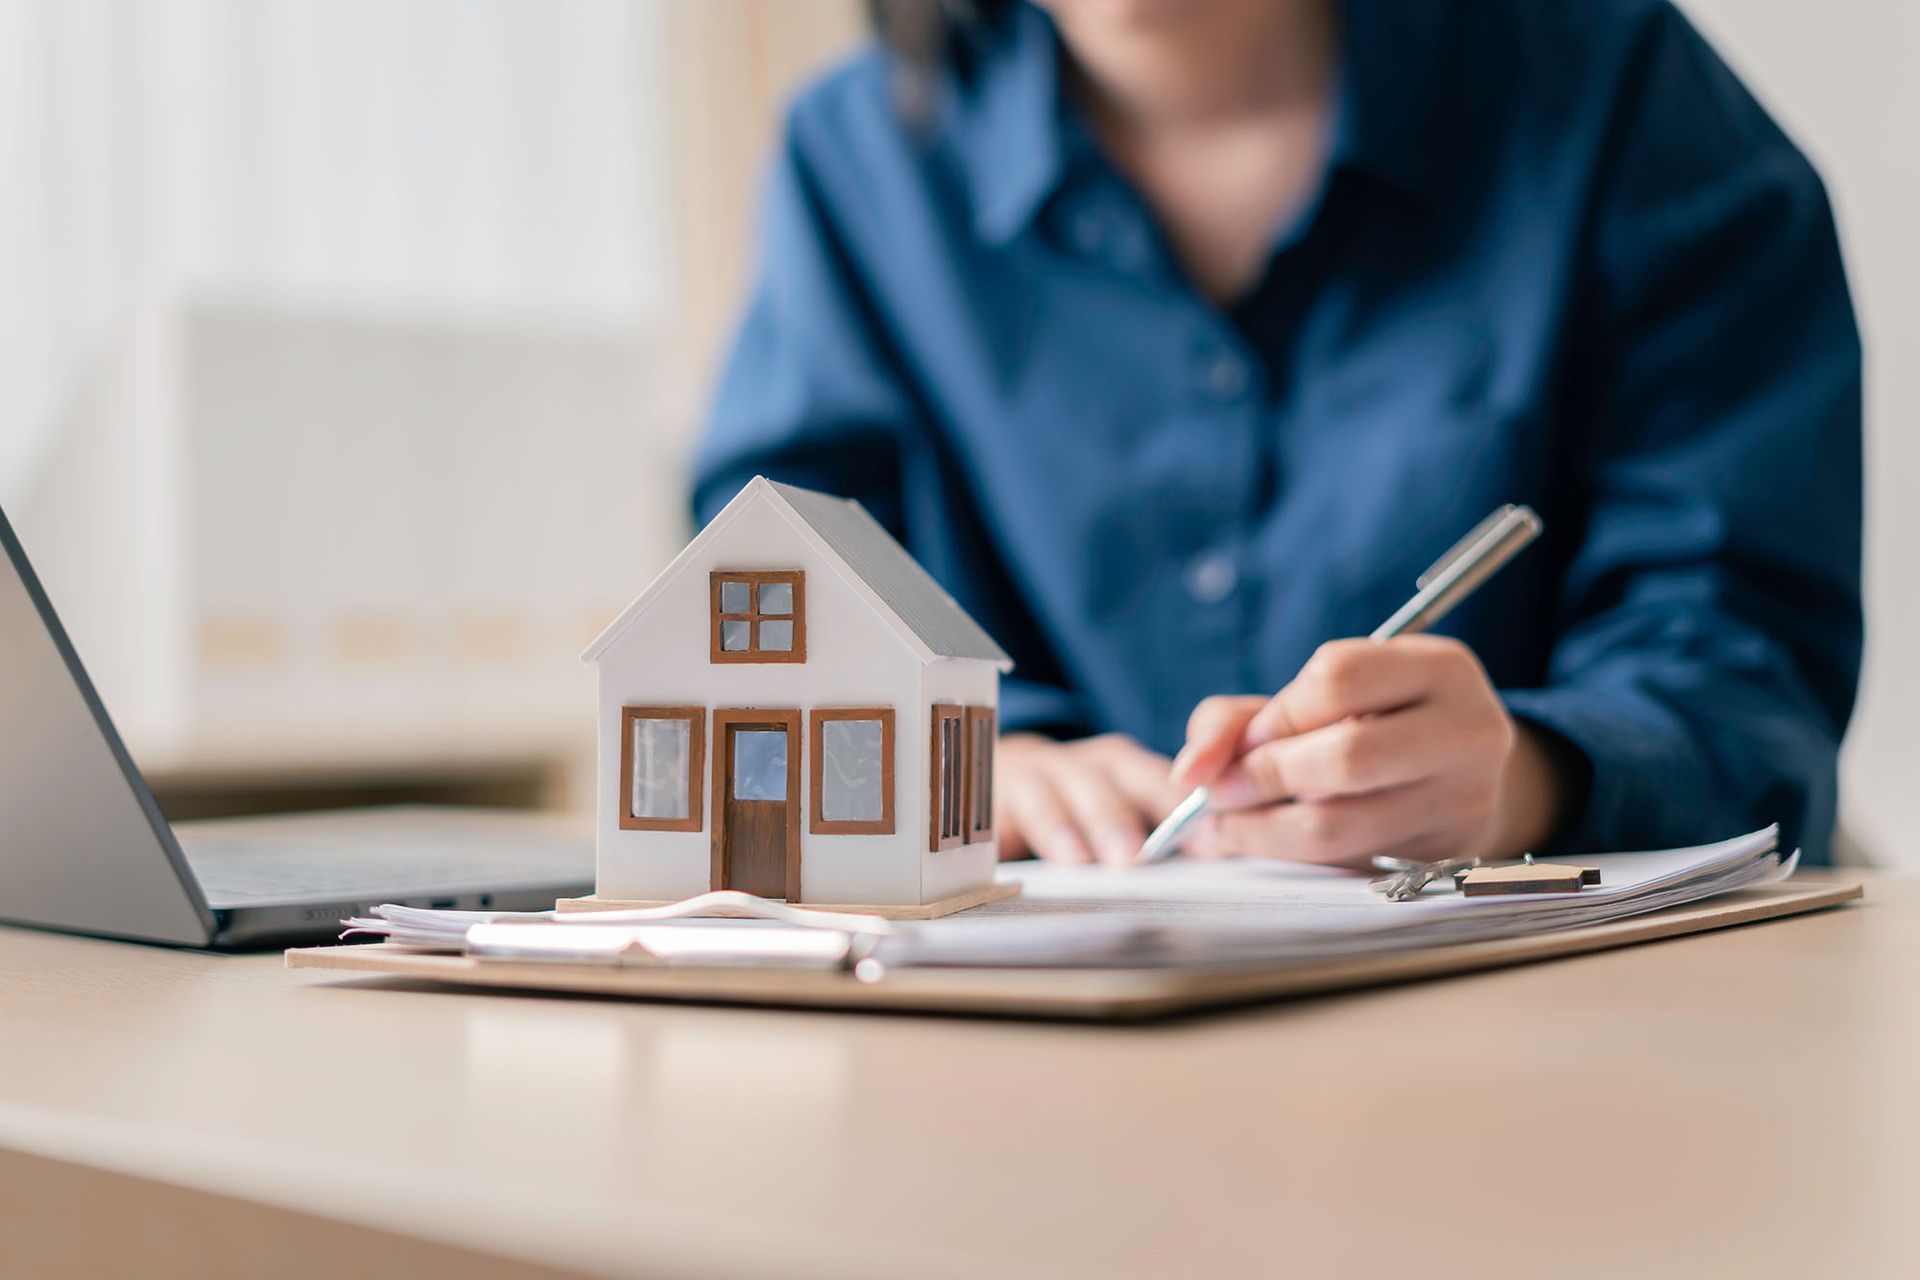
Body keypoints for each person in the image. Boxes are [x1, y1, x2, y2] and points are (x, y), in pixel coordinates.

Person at [692, 0, 1862, 870]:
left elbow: (1746, 667)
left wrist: (1522, 782)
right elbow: (780, 595)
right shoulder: (853, 162)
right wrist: (965, 763)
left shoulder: (1621, 95)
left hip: (1579, 1043)